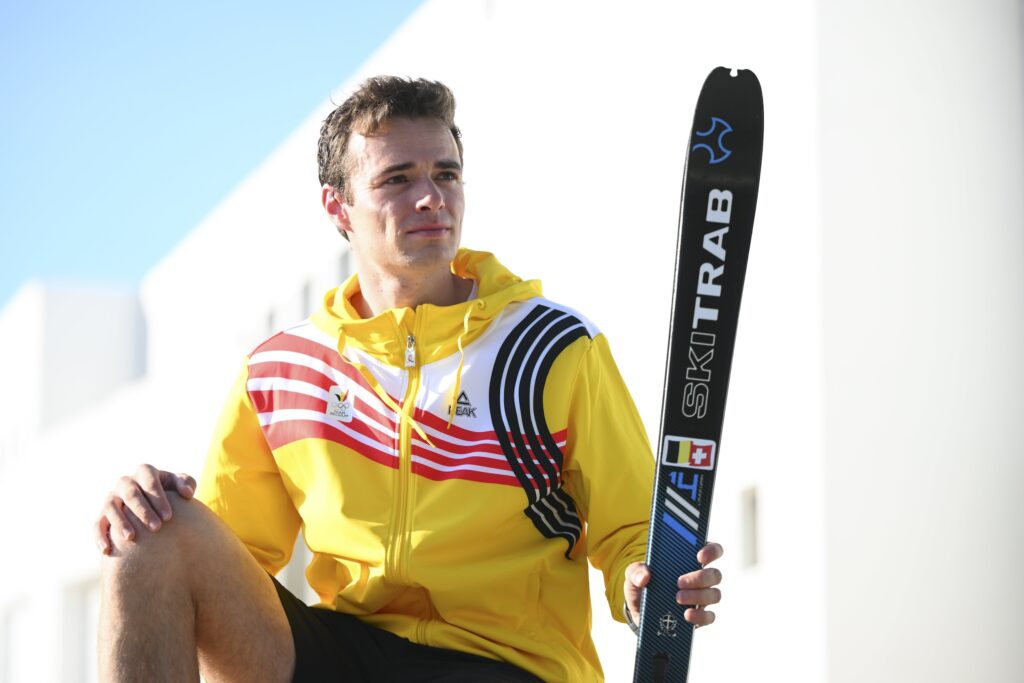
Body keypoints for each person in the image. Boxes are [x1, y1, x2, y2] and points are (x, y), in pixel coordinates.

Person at [94, 76, 724, 683]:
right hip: (340, 649)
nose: (431, 197)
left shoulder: (550, 348)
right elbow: (233, 556)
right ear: (338, 207)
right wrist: (147, 506)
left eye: (446, 174)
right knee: (150, 535)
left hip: (504, 662)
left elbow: (630, 528)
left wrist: (643, 584)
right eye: (397, 179)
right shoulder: (283, 369)